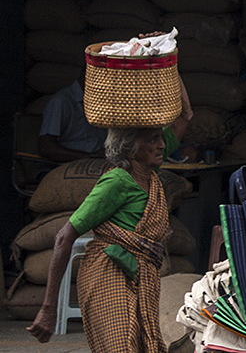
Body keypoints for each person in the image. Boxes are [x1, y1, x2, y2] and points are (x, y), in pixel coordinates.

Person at [27, 42, 193, 352]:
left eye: (160, 138)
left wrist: (170, 59)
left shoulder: (150, 175)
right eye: (152, 139)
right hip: (109, 273)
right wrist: (49, 308)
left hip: (142, 275)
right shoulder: (117, 181)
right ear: (130, 147)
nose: (161, 145)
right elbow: (64, 237)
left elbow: (184, 115)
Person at [38, 68, 107, 163]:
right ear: (85, 75)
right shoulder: (62, 101)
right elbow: (46, 147)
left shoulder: (103, 102)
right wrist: (88, 157)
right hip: (67, 166)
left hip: (98, 164)